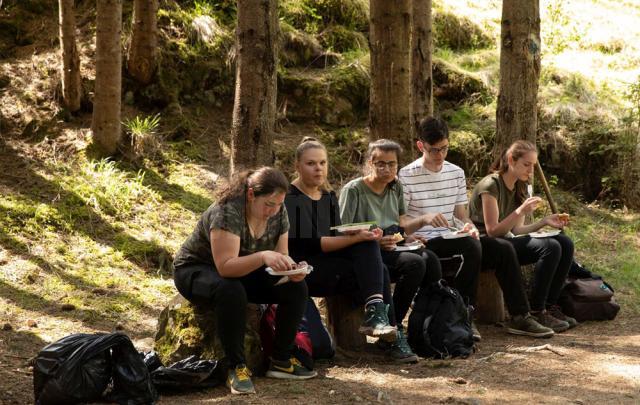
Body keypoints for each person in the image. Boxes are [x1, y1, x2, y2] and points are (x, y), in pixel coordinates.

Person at [399, 117, 555, 338]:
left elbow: (461, 216)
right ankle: (464, 315)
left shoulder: (455, 172)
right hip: (424, 241)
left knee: (502, 247)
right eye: (434, 150)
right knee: (471, 247)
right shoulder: (406, 175)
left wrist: (470, 227)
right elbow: (402, 222)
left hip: (455, 238)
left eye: (445, 149)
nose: (440, 156)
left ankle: (521, 316)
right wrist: (424, 218)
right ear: (420, 146)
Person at [173, 167, 316, 396]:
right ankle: (236, 366)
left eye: (279, 204)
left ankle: (281, 359)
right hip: (197, 270)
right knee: (231, 288)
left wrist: (292, 270)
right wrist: (262, 256)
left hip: (243, 269)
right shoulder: (228, 211)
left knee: (296, 287)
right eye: (269, 204)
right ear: (251, 195)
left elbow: (282, 254)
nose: (274, 210)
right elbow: (225, 267)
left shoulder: (279, 212)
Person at [285, 137, 404, 360]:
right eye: (311, 163)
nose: (318, 168)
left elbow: (335, 232)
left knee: (378, 262)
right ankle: (380, 320)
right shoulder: (291, 199)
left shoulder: (328, 196)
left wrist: (359, 233)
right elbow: (315, 243)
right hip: (304, 273)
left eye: (322, 163)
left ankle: (385, 326)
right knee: (366, 246)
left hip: (331, 265)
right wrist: (357, 238)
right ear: (297, 166)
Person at [339, 139, 442, 362]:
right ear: (370, 163)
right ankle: (394, 336)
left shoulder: (395, 186)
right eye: (381, 164)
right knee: (415, 264)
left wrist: (410, 235)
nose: (387, 169)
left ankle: (423, 326)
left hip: (390, 244)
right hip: (362, 251)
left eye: (392, 164)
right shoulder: (354, 190)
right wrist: (376, 241)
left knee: (429, 259)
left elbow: (401, 220)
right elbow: (342, 230)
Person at [469, 139, 578, 332]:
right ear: (511, 160)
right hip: (485, 245)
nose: (530, 171)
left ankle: (546, 308)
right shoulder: (491, 185)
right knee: (550, 247)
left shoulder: (520, 186)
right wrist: (520, 210)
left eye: (533, 166)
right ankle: (532, 312)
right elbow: (493, 230)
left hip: (507, 242)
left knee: (563, 242)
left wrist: (545, 221)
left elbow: (517, 230)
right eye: (526, 165)